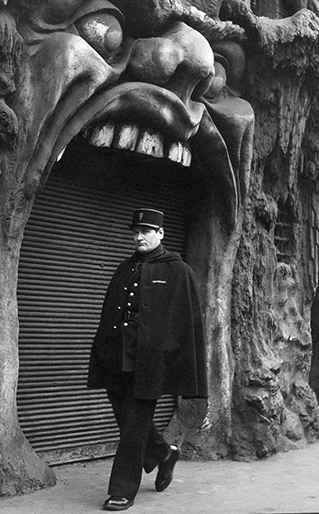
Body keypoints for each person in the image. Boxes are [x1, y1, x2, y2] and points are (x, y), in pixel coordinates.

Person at [88, 208, 208, 511]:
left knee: (135, 424)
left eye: (146, 231)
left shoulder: (179, 271)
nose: (139, 237)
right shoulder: (125, 267)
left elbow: (188, 323)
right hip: (120, 355)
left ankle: (122, 490)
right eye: (135, 232)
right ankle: (164, 453)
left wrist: (175, 360)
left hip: (153, 360)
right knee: (125, 413)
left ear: (161, 234)